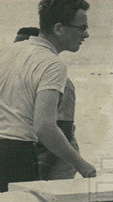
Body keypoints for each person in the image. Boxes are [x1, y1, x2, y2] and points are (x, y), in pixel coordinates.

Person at [0, 0, 96, 192]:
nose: (86, 35)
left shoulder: (5, 52)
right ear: (59, 28)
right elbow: (44, 127)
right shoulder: (52, 64)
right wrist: (81, 165)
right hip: (14, 154)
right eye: (82, 28)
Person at [14, 25, 79, 180]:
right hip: (33, 152)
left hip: (59, 156)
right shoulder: (20, 79)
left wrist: (42, 169)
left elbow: (63, 130)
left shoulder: (61, 83)